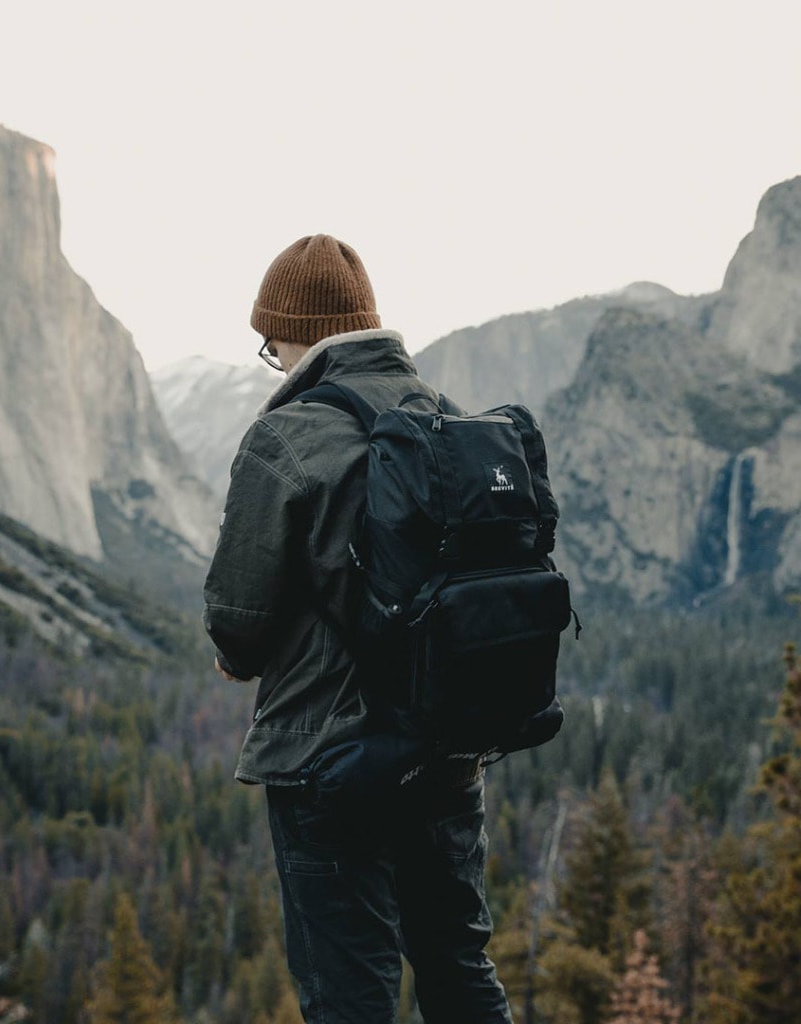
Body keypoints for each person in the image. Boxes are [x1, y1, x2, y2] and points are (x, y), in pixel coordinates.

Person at [203, 235, 513, 1024]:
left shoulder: (286, 437)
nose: (272, 356)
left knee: (351, 996)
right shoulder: (444, 418)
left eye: (270, 343)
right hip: (443, 753)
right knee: (457, 967)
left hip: (326, 763)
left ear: (292, 333)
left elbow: (236, 624)